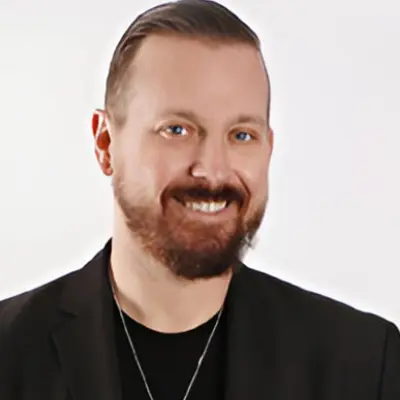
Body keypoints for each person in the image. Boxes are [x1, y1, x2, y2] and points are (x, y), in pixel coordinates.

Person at [1, 0, 399, 399]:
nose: (213, 171)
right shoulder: (9, 353)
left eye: (242, 135)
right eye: (177, 129)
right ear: (106, 143)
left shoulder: (362, 362)